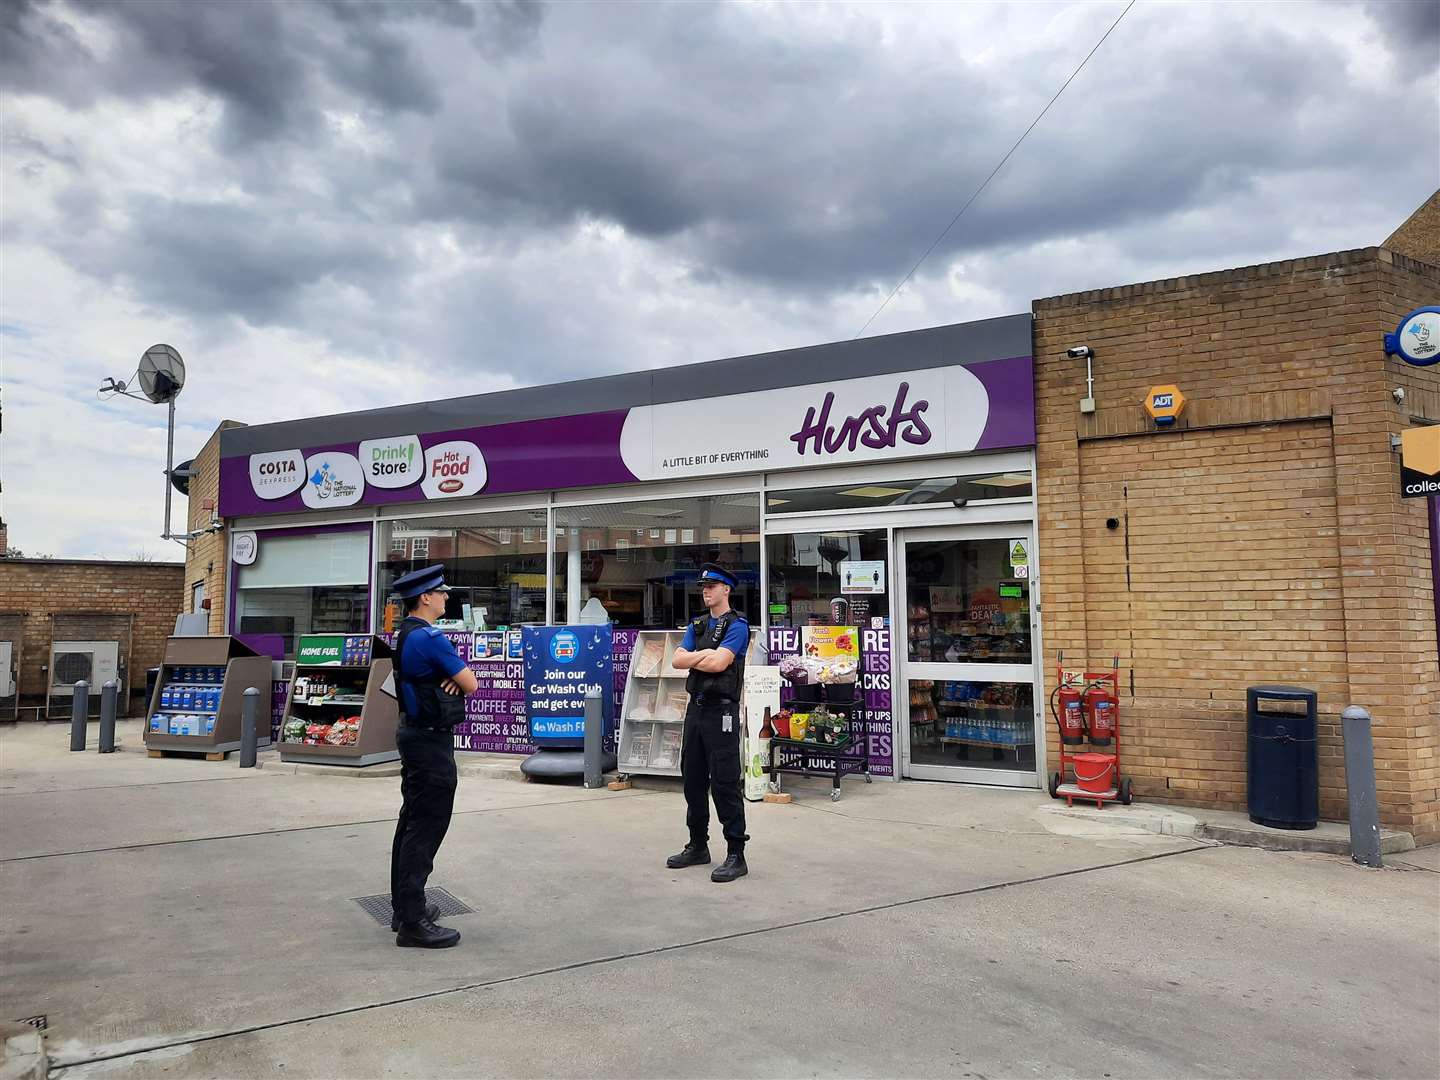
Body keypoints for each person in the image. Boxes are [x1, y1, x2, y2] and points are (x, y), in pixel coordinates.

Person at [388, 564, 478, 948]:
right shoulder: (430, 638)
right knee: (425, 828)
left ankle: (405, 908)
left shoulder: (405, 633)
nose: (446, 597)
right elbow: (470, 683)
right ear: (425, 597)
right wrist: (455, 681)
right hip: (430, 742)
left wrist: (451, 681)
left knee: (411, 822)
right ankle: (413, 923)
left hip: (414, 735)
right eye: (441, 592)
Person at [667, 563, 751, 882]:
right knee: (693, 779)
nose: (706, 591)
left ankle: (736, 854)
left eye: (712, 586)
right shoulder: (699, 623)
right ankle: (698, 846)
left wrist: (699, 657)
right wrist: (705, 655)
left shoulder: (737, 625)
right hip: (696, 710)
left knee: (725, 782)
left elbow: (719, 664)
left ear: (726, 590)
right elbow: (676, 660)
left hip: (722, 712)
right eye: (704, 586)